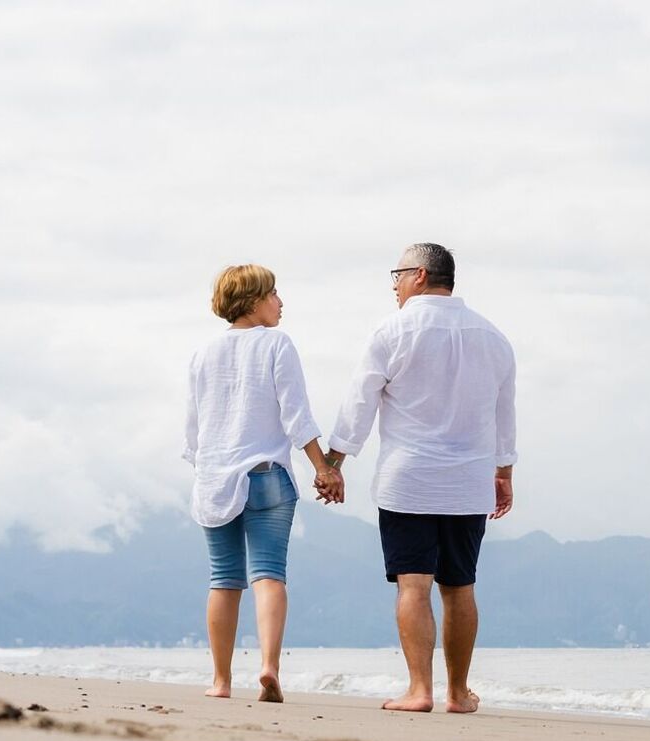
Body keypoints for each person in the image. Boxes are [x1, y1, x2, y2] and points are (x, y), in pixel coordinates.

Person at [325, 242, 516, 714]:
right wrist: (504, 472)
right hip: (469, 481)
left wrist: (333, 464)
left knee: (414, 585)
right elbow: (504, 412)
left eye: (397, 274)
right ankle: (457, 693)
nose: (393, 285)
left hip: (407, 479)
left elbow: (359, 404)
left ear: (420, 276)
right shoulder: (493, 337)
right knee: (460, 587)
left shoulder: (393, 330)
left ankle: (420, 690)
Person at [184, 264, 345, 703]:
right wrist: (323, 468)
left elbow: (193, 431)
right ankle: (269, 667)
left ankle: (220, 681)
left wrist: (208, 470)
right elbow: (297, 415)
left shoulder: (202, 354)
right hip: (267, 477)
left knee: (223, 580)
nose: (280, 302)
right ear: (254, 301)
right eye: (274, 294)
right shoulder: (276, 343)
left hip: (215, 478)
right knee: (269, 575)